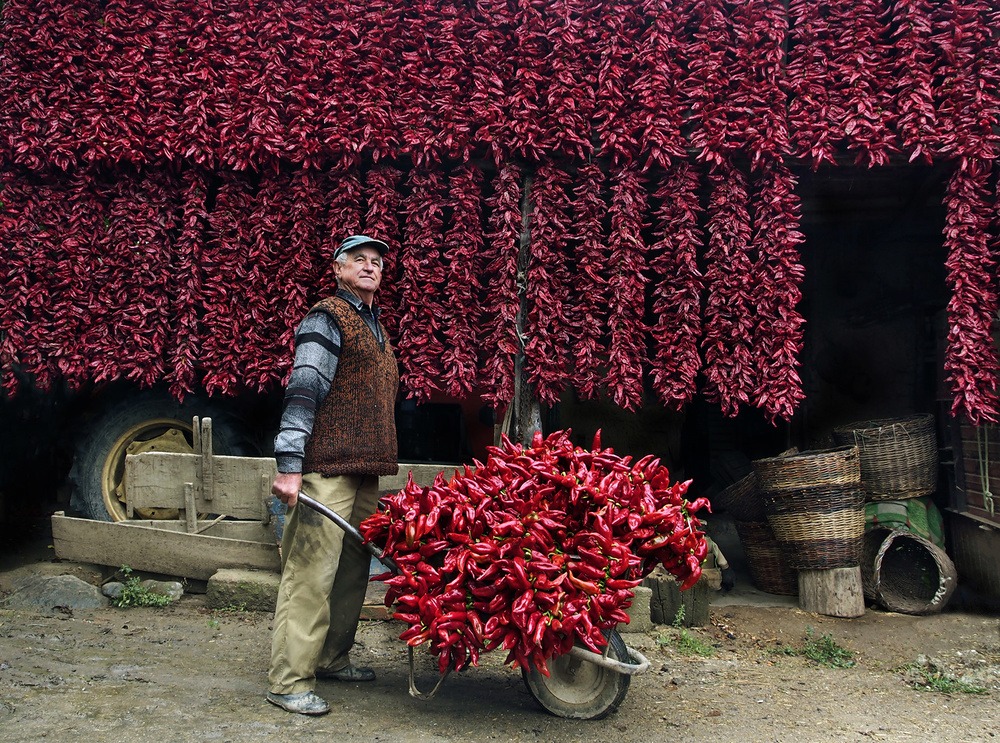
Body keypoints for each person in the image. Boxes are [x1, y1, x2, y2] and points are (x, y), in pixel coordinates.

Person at [265, 234, 399, 716]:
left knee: (351, 572)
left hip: (364, 472)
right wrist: (290, 464)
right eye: (358, 261)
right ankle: (288, 680)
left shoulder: (376, 328)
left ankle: (331, 659)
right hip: (326, 468)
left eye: (376, 262)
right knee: (310, 575)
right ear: (339, 270)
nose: (369, 267)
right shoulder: (327, 317)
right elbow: (304, 387)